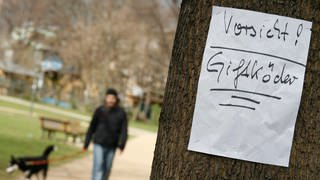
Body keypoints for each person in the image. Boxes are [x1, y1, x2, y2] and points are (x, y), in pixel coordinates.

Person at [83, 88, 128, 180]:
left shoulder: (121, 113)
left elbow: (124, 130)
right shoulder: (99, 110)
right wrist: (86, 143)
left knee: (107, 168)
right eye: (109, 98)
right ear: (106, 98)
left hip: (112, 146)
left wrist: (122, 145)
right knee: (98, 166)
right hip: (98, 143)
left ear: (116, 99)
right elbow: (92, 127)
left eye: (113, 98)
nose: (111, 100)